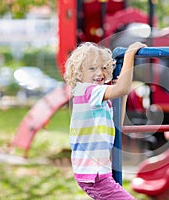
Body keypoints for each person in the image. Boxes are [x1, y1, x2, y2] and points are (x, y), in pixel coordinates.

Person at [64, 41, 146, 200]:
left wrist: (123, 96)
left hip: (97, 173)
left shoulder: (98, 99)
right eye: (92, 68)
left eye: (103, 68)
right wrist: (130, 55)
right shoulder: (87, 91)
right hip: (94, 176)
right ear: (79, 73)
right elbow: (122, 87)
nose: (99, 73)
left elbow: (117, 123)